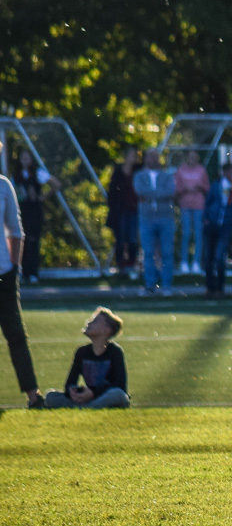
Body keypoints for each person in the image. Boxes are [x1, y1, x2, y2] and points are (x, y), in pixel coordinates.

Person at [0, 171, 43, 407]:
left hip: (4, 273)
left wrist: (15, 268)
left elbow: (15, 231)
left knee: (16, 334)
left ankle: (33, 396)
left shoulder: (3, 185)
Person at [44, 307, 129, 409]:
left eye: (95, 321)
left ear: (106, 330)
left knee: (117, 394)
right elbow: (70, 383)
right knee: (50, 396)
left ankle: (84, 408)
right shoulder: (82, 352)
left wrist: (93, 393)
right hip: (89, 399)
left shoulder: (115, 352)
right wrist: (73, 392)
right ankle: (88, 407)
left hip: (105, 396)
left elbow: (120, 385)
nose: (89, 322)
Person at [133, 147, 177, 295]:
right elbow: (140, 190)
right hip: (146, 218)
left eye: (155, 157)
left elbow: (170, 191)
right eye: (150, 157)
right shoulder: (139, 176)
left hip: (166, 217)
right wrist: (159, 195)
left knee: (167, 252)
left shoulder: (167, 176)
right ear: (145, 159)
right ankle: (150, 284)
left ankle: (166, 285)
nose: (153, 159)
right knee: (148, 252)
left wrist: (151, 195)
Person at [11, 149, 58, 285]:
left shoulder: (38, 173)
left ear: (32, 160)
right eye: (23, 158)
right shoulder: (16, 175)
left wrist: (42, 197)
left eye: (28, 158)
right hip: (22, 212)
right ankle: (23, 273)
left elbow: (56, 184)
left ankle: (32, 273)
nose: (25, 160)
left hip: (35, 212)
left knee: (33, 241)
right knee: (22, 241)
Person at [202, 154, 232, 298]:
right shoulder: (216, 185)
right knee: (208, 257)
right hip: (212, 224)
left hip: (226, 226)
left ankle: (220, 288)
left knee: (220, 257)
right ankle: (210, 287)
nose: (231, 175)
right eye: (228, 172)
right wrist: (206, 219)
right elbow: (208, 202)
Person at [105, 147, 142, 279]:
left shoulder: (138, 170)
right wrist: (113, 208)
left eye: (135, 156)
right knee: (120, 238)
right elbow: (112, 192)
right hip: (121, 211)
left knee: (132, 239)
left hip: (134, 210)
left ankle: (132, 265)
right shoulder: (118, 171)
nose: (133, 158)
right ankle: (120, 265)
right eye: (131, 155)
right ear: (126, 156)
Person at [174, 150, 209, 277]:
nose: (192, 159)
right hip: (185, 205)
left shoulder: (201, 170)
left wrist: (199, 186)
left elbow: (207, 187)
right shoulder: (181, 170)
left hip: (199, 205)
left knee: (198, 234)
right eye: (190, 157)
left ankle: (196, 262)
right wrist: (185, 188)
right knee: (186, 233)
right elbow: (176, 187)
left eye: (195, 157)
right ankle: (184, 262)